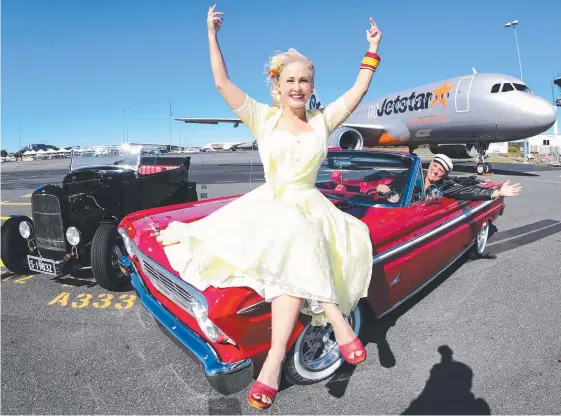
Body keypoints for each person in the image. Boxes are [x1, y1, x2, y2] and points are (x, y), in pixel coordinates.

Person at [155, 4, 383, 411]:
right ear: (278, 84)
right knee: (292, 232)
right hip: (271, 202)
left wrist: (372, 51)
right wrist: (212, 35)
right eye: (290, 79)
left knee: (294, 244)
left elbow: (358, 91)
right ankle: (335, 318)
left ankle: (273, 362)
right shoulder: (262, 117)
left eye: (304, 80)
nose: (297, 86)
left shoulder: (323, 121)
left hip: (311, 204)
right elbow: (223, 83)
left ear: (313, 85)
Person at [376, 153, 522, 201]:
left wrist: (497, 193)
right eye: (435, 166)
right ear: (430, 164)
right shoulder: (411, 177)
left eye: (441, 170)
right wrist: (385, 190)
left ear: (445, 174)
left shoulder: (444, 186)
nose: (435, 171)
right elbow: (387, 187)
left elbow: (467, 192)